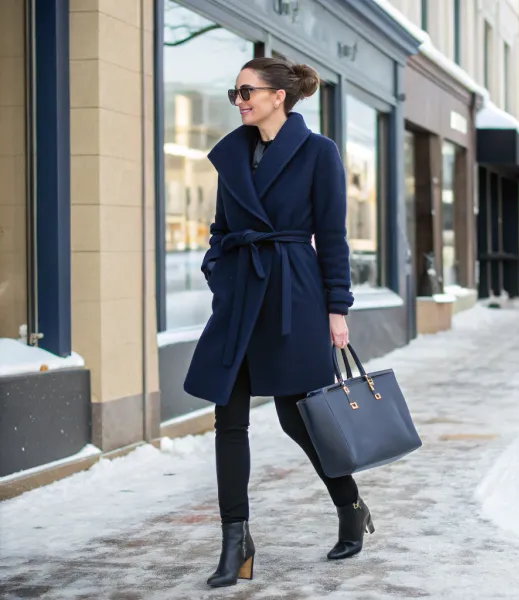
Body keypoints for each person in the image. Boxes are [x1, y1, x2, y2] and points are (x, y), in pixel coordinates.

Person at [183, 57, 373, 588]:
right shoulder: (234, 154)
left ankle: (350, 505)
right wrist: (218, 271)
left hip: (295, 293)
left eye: (247, 91)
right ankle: (235, 542)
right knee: (229, 418)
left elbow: (332, 237)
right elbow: (221, 229)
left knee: (301, 417)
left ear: (277, 97)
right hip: (242, 294)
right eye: (235, 92)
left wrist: (339, 309)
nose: (239, 99)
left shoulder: (319, 153)